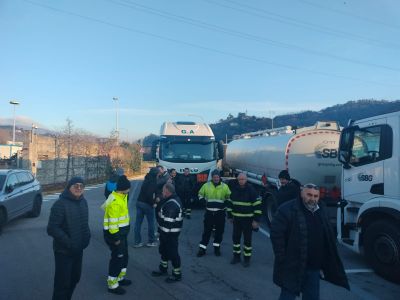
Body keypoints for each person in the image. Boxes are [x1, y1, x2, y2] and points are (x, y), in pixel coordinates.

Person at [270, 183, 350, 300]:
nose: (312, 199)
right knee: (287, 296)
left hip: (314, 267)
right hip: (292, 267)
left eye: (315, 196)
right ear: (302, 194)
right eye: (309, 195)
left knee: (312, 297)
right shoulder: (287, 210)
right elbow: (276, 235)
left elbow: (327, 237)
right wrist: (282, 259)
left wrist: (325, 262)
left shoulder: (321, 210)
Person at [47, 177, 91, 300]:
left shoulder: (83, 202)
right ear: (69, 187)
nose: (78, 188)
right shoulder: (60, 204)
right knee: (62, 284)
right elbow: (52, 228)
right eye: (75, 185)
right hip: (64, 252)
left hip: (78, 250)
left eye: (81, 186)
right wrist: (70, 243)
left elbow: (84, 223)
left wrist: (87, 237)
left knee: (74, 279)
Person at [102, 175, 132, 295]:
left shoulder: (122, 196)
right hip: (115, 236)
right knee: (117, 259)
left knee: (124, 256)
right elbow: (113, 224)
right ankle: (112, 285)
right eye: (128, 188)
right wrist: (116, 239)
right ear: (123, 189)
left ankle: (120, 278)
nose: (129, 190)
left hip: (122, 234)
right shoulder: (115, 201)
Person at [227, 173, 262, 267]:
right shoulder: (234, 190)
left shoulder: (251, 190)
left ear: (246, 180)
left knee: (247, 241)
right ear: (237, 180)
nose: (241, 181)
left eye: (243, 179)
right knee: (236, 239)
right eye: (239, 179)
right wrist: (229, 216)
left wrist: (256, 220)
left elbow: (257, 206)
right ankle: (236, 257)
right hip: (237, 220)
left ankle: (247, 259)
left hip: (248, 220)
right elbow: (230, 203)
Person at [151, 183, 183, 283]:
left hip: (169, 235)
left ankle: (176, 274)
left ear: (167, 191)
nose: (162, 192)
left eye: (163, 191)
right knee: (164, 252)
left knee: (173, 254)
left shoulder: (171, 205)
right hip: (166, 234)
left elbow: (167, 223)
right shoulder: (170, 201)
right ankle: (163, 269)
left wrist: (161, 234)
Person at [197, 169, 231, 257]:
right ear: (212, 177)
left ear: (220, 177)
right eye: (214, 177)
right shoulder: (206, 185)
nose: (216, 178)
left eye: (217, 177)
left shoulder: (225, 186)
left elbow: (229, 197)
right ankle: (202, 249)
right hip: (209, 213)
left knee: (219, 232)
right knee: (207, 232)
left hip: (220, 213)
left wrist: (226, 203)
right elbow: (200, 194)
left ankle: (217, 249)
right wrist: (203, 202)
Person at [133, 167, 158, 248]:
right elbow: (149, 194)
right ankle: (151, 241)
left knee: (138, 223)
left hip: (139, 202)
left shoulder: (146, 179)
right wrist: (153, 203)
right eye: (157, 174)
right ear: (155, 174)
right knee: (151, 223)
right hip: (147, 204)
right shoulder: (153, 181)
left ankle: (137, 242)